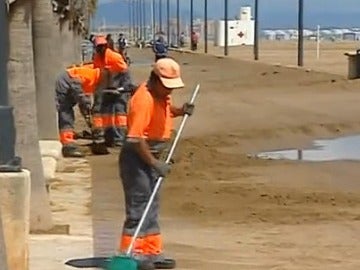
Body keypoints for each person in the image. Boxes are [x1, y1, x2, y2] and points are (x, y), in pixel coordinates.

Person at [118, 58, 195, 270]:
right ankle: (131, 253)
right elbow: (135, 138)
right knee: (139, 205)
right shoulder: (143, 99)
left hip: (153, 156)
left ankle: (151, 252)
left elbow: (165, 112)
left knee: (152, 205)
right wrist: (154, 164)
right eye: (166, 86)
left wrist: (180, 111)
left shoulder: (162, 95)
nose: (169, 92)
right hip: (138, 158)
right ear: (155, 79)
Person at [55, 66, 111, 157]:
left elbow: (84, 99)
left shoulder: (95, 80)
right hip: (63, 86)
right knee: (66, 114)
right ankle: (67, 144)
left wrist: (86, 112)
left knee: (67, 113)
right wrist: (83, 100)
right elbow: (76, 85)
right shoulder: (91, 75)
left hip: (67, 86)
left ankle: (67, 140)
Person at [92, 35, 134, 147]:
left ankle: (120, 138)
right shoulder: (97, 58)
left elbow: (125, 74)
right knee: (106, 114)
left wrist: (124, 88)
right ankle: (109, 137)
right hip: (107, 88)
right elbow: (98, 75)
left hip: (120, 87)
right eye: (98, 47)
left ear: (106, 46)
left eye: (102, 46)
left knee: (119, 113)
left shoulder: (114, 57)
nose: (100, 49)